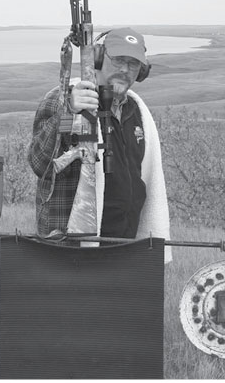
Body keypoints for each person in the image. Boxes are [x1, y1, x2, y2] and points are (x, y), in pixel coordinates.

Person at [28, 27, 171, 262]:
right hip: (69, 246)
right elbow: (40, 162)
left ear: (142, 71)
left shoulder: (136, 111)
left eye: (133, 64)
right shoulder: (63, 98)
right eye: (118, 60)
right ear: (98, 57)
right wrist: (70, 112)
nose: (125, 70)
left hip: (124, 245)